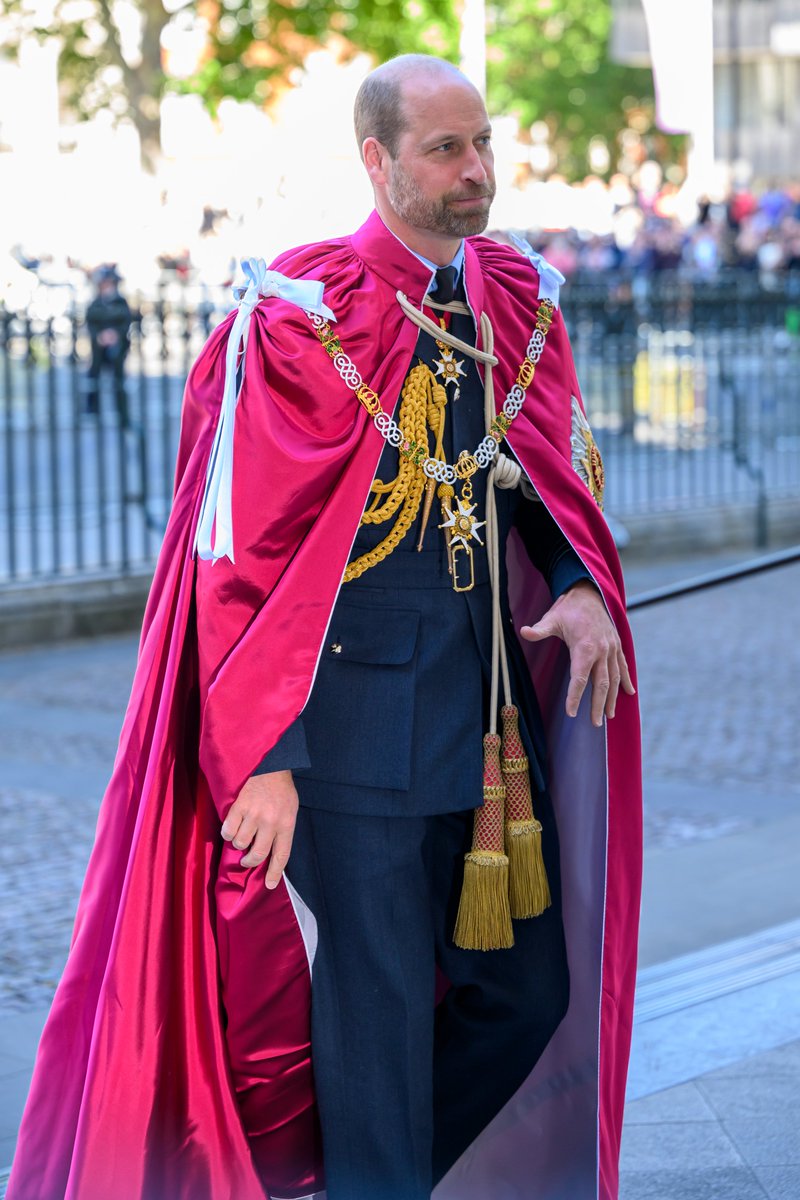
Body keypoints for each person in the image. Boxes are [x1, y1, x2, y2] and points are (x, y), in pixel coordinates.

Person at [8, 55, 641, 1200]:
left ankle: (351, 1177)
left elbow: (527, 477)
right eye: (446, 150)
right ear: (377, 159)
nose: (476, 172)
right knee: (380, 1016)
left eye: (482, 144)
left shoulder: (504, 295)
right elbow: (242, 561)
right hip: (348, 734)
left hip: (488, 724)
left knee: (523, 996)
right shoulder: (308, 312)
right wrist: (268, 759)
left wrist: (578, 581)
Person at [84, 265, 132, 423]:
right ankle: (92, 409)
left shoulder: (120, 302)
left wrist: (115, 335)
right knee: (93, 375)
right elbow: (91, 321)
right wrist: (100, 336)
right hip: (99, 347)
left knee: (119, 378)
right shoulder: (96, 304)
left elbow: (125, 321)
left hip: (117, 346)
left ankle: (122, 411)